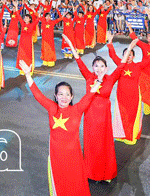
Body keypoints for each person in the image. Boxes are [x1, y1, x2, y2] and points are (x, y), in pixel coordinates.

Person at [20, 59, 101, 196]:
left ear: (72, 96)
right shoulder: (52, 108)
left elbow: (90, 94)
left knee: (75, 184)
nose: (64, 97)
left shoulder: (77, 109)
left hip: (73, 157)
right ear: (55, 96)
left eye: (67, 94)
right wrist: (28, 74)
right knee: (60, 184)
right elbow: (38, 94)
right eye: (61, 94)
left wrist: (99, 80)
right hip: (56, 157)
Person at [68, 35, 128, 182]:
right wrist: (72, 47)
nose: (99, 69)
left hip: (104, 117)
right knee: (91, 144)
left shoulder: (111, 78)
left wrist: (129, 47)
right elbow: (79, 62)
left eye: (102, 66)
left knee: (104, 145)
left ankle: (105, 173)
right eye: (96, 66)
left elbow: (121, 65)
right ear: (93, 68)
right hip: (90, 116)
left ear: (106, 68)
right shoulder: (89, 77)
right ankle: (91, 172)